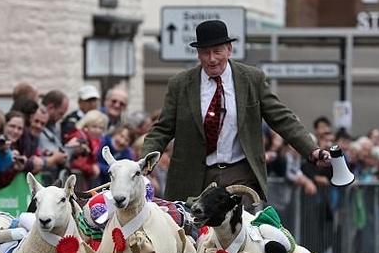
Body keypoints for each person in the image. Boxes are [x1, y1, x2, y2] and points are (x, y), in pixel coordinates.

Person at [141, 20, 331, 204]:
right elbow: (162, 129)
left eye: (217, 51)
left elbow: (282, 119)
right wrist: (144, 161)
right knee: (195, 234)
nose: (212, 58)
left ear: (229, 50)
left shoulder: (251, 79)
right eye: (205, 52)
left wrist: (312, 150)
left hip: (240, 174)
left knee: (237, 231)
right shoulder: (180, 84)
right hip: (194, 176)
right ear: (198, 54)